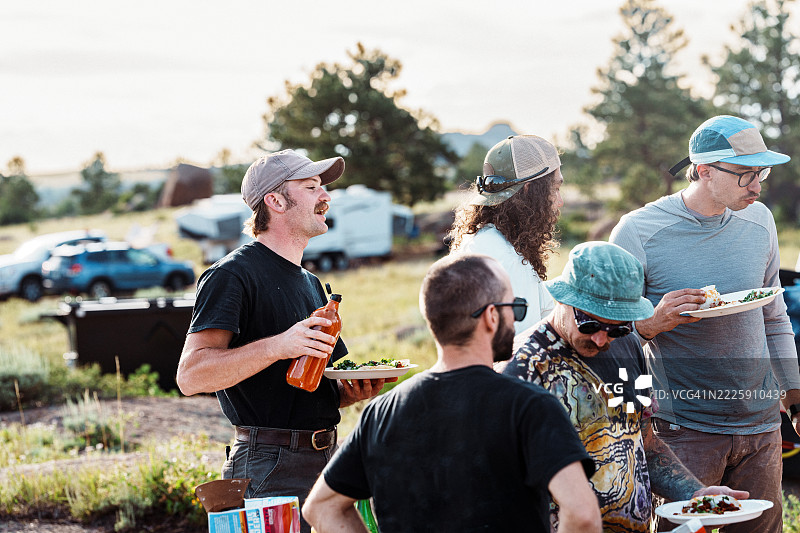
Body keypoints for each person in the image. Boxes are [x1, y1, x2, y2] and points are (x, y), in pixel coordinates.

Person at [303, 253, 602, 532]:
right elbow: (583, 515)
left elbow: (322, 507)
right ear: (491, 317)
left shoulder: (381, 412)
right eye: (515, 307)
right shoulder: (531, 407)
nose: (516, 319)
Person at [175, 149, 391, 533]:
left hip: (327, 459)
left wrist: (353, 391)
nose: (325, 196)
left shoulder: (310, 284)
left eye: (322, 187)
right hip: (268, 466)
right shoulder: (231, 275)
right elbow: (191, 375)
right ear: (275, 201)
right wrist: (278, 345)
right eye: (310, 187)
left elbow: (320, 385)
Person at [610, 115, 800, 532]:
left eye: (762, 172)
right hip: (684, 429)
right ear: (703, 170)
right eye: (746, 173)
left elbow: (773, 313)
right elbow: (605, 333)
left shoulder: (761, 221)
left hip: (762, 424)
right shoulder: (639, 231)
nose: (757, 185)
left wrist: (794, 394)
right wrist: (651, 324)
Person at [505, 241, 748, 532]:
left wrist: (694, 493)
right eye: (588, 324)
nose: (600, 339)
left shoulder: (629, 344)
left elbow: (644, 441)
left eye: (617, 327)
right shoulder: (524, 368)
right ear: (563, 298)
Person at [449, 134, 564, 334]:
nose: (560, 201)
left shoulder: (481, 241)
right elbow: (523, 352)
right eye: (555, 188)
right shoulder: (507, 260)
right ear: (529, 191)